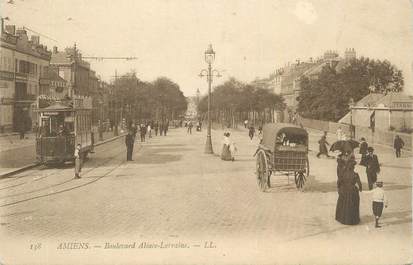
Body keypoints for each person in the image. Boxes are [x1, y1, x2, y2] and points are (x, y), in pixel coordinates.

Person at [335, 157, 362, 225]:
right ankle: (353, 220)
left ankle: (342, 219)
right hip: (353, 191)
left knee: (343, 204)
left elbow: (339, 182)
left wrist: (339, 189)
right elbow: (360, 185)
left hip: (344, 190)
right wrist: (360, 189)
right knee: (352, 205)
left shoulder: (343, 173)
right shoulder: (355, 174)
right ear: (353, 167)